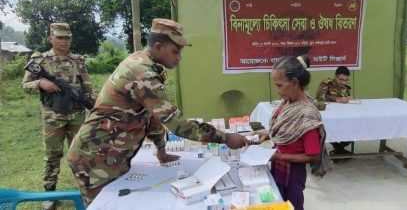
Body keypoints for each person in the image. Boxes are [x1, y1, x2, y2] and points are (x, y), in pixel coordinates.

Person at [67, 18, 248, 205]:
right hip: (93, 159)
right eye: (175, 52)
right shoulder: (142, 72)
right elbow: (176, 124)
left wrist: (161, 150)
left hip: (111, 155)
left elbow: (152, 115)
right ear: (159, 46)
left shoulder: (148, 66)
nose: (179, 58)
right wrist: (225, 138)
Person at [22, 23, 96, 210]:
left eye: (67, 38)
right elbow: (25, 85)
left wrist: (96, 105)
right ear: (50, 38)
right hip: (52, 116)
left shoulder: (78, 60)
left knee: (81, 154)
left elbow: (87, 88)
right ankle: (50, 195)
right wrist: (40, 82)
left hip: (77, 115)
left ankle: (87, 191)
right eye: (60, 37)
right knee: (52, 156)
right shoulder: (40, 60)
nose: (64, 41)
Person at [259, 55, 329, 210]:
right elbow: (284, 129)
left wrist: (280, 156)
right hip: (278, 166)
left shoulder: (306, 115)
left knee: (292, 206)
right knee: (279, 203)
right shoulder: (287, 103)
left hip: (293, 174)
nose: (277, 91)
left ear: (295, 83)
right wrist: (268, 133)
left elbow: (313, 155)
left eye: (279, 85)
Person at [316, 66, 354, 156]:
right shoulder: (326, 83)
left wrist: (348, 99)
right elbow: (320, 97)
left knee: (352, 128)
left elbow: (346, 100)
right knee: (329, 130)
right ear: (335, 77)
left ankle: (339, 150)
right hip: (328, 115)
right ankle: (340, 150)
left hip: (343, 115)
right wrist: (337, 99)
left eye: (346, 80)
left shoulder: (346, 87)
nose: (343, 82)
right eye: (341, 80)